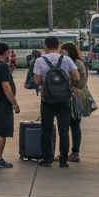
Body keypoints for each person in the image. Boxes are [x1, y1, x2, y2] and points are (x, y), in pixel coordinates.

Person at [33, 36, 80, 168]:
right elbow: (76, 76)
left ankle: (47, 159)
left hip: (47, 100)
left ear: (45, 46)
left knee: (46, 130)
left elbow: (37, 81)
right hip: (64, 100)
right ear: (59, 46)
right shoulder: (66, 59)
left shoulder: (40, 61)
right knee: (64, 130)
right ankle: (63, 161)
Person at [61, 41, 89, 163]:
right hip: (71, 96)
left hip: (75, 97)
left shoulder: (76, 63)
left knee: (74, 124)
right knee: (70, 125)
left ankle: (74, 152)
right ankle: (69, 152)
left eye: (64, 52)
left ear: (70, 51)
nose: (62, 54)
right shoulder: (74, 62)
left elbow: (81, 81)